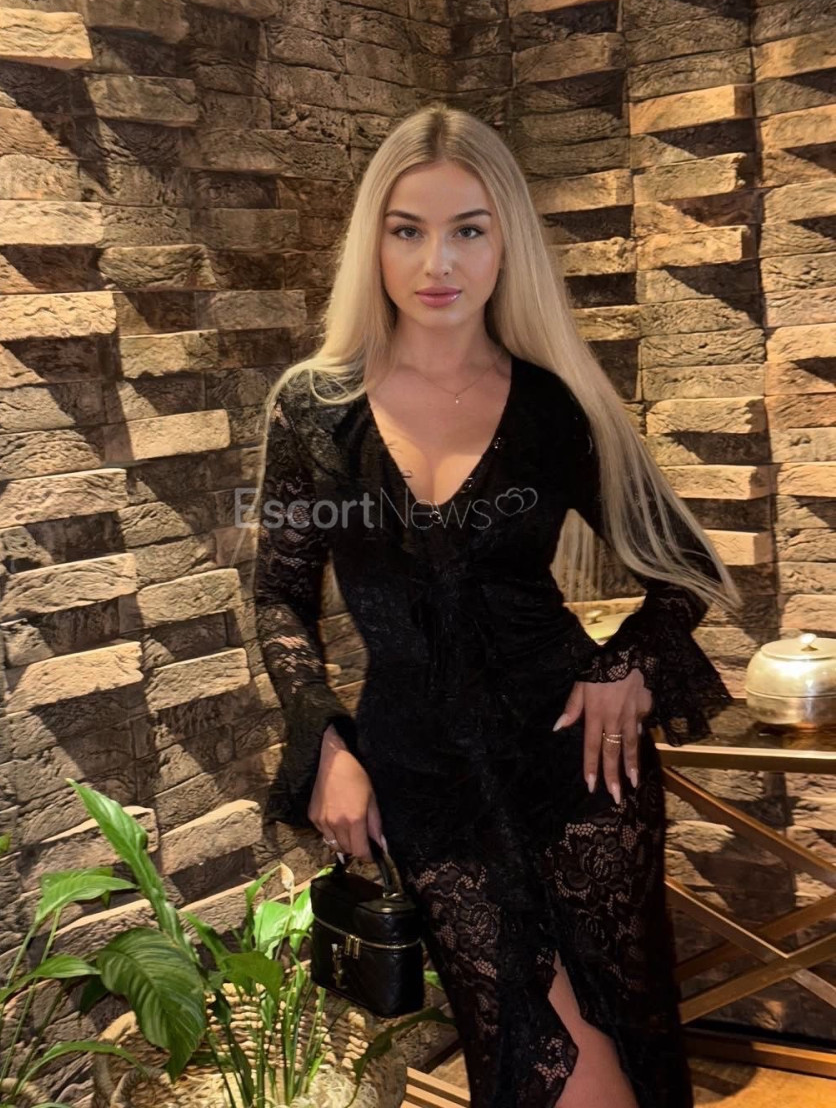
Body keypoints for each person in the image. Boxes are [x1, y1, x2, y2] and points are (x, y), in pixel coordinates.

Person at [247, 103, 741, 1108]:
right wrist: (327, 744)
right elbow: (280, 596)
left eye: (468, 230)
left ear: (505, 241)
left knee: (618, 1052)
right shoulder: (314, 409)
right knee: (522, 1060)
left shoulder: (556, 404)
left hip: (575, 773)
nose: (438, 261)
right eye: (408, 229)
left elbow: (686, 567)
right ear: (374, 242)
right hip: (424, 781)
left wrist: (624, 665)